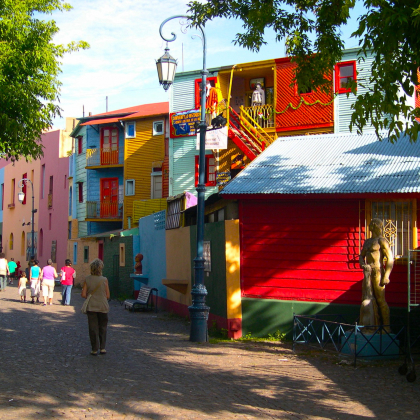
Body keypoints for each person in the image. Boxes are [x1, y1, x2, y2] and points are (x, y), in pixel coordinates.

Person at [359, 218, 394, 330]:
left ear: (374, 226)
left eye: (371, 224)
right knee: (367, 298)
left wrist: (387, 275)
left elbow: (390, 259)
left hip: (377, 271)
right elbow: (361, 256)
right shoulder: (368, 241)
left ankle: (386, 327)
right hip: (367, 271)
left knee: (380, 299)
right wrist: (362, 264)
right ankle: (370, 325)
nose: (369, 226)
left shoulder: (382, 241)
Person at [81, 259, 110, 356]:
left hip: (91, 306)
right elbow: (108, 295)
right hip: (102, 306)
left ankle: (94, 349)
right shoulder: (104, 279)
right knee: (103, 327)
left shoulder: (87, 279)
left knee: (93, 328)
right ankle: (102, 348)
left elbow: (83, 294)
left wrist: (91, 295)